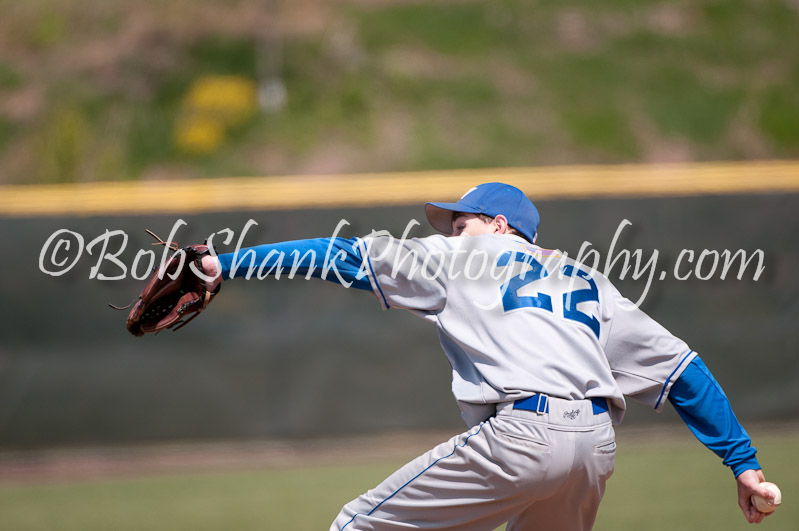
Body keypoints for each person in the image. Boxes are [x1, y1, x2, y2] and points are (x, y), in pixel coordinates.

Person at [201, 182, 774, 530]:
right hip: (595, 449)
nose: (454, 232)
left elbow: (340, 256)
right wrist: (744, 464)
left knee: (355, 526)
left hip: (522, 438)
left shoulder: (464, 258)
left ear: (499, 226)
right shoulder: (590, 281)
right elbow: (683, 372)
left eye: (463, 221)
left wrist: (224, 264)